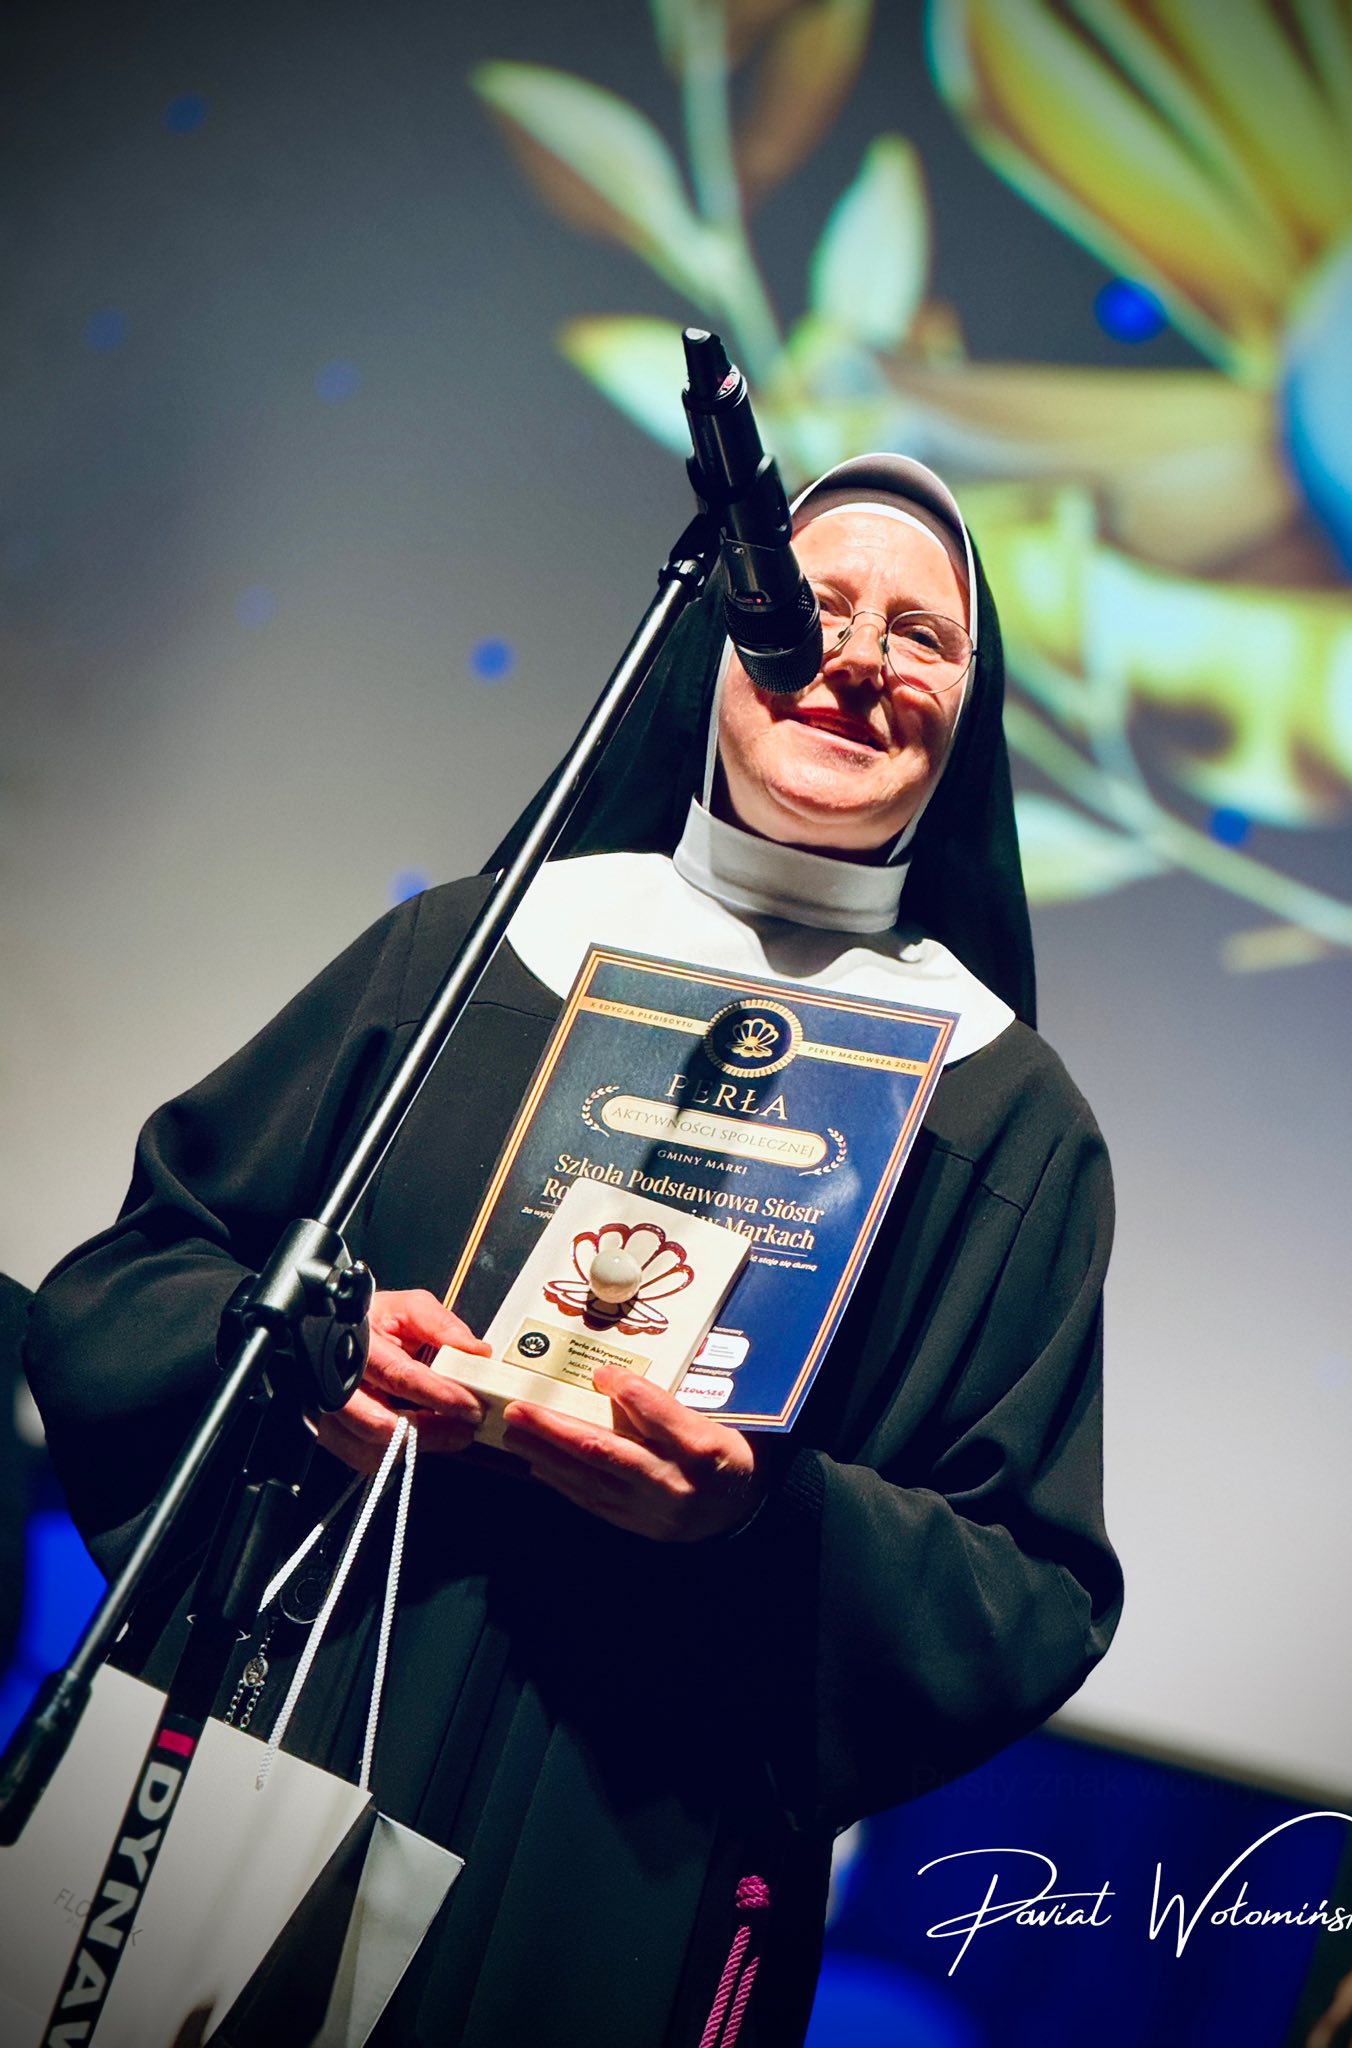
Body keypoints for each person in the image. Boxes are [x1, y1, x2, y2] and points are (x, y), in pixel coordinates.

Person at [26, 454, 1121, 2045]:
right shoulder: (479, 952)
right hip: (288, 1731)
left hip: (630, 1887)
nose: (856, 660)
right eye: (812, 608)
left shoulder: (1003, 1115)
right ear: (714, 646)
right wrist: (312, 1364)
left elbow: (1026, 1588)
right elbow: (130, 1287)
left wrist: (761, 1522)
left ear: (972, 711)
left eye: (922, 636)